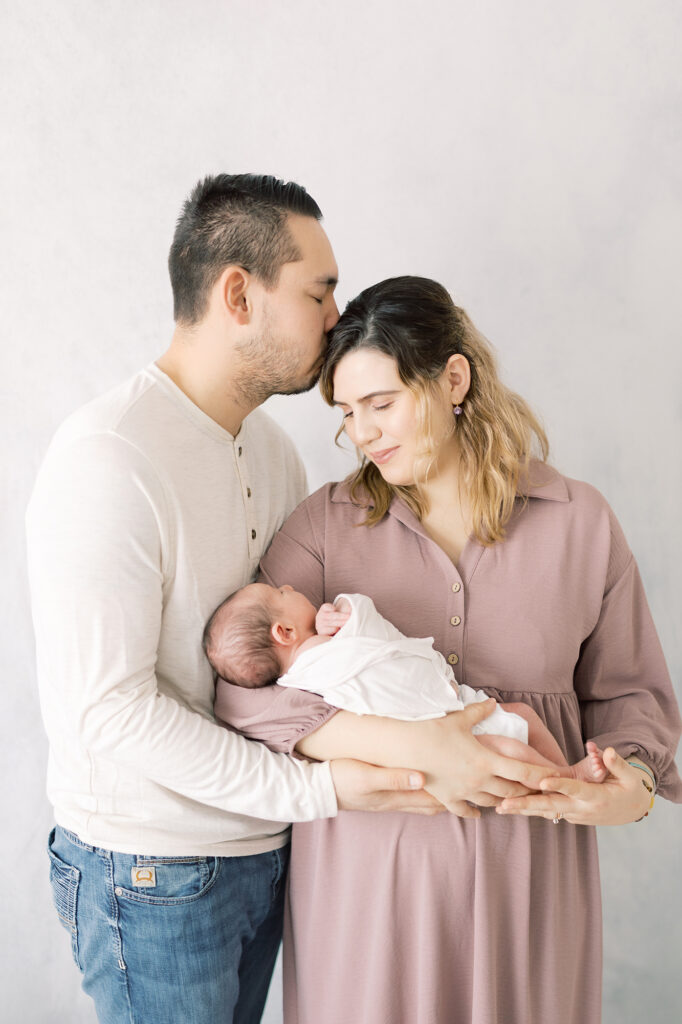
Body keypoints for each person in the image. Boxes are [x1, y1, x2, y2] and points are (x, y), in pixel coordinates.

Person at [26, 179, 506, 1024]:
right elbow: (108, 709)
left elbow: (296, 669)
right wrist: (327, 791)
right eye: (318, 292)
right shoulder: (110, 458)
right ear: (239, 294)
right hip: (154, 874)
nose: (336, 315)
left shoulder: (276, 453)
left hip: (264, 853)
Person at [215, 275, 682, 1024]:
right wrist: (419, 745)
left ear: (453, 379)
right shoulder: (322, 529)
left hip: (531, 892)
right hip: (365, 899)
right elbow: (238, 695)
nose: (362, 433)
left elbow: (634, 697)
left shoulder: (580, 523)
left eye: (381, 403)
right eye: (347, 412)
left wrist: (629, 785)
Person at [209, 584, 608, 782]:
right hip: (434, 723)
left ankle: (565, 772)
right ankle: (565, 781)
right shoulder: (315, 668)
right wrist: (344, 611)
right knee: (506, 747)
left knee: (521, 717)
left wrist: (340, 616)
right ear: (283, 632)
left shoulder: (305, 671)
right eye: (282, 592)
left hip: (451, 702)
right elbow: (367, 625)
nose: (292, 587)